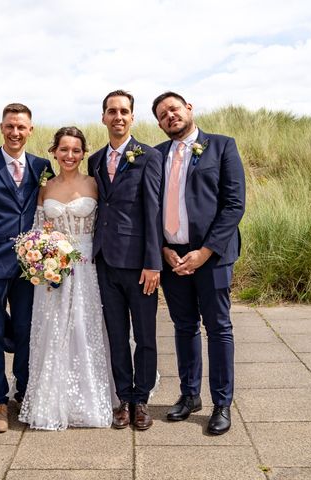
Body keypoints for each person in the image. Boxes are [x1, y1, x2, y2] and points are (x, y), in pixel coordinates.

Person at [152, 91, 246, 435]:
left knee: (219, 327)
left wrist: (205, 252)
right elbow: (151, 207)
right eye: (162, 115)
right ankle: (190, 395)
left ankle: (222, 403)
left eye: (173, 109)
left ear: (188, 108)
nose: (170, 116)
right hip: (172, 258)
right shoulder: (156, 155)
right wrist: (163, 248)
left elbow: (234, 205)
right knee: (184, 327)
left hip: (212, 257)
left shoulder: (222, 146)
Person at [19, 127, 114, 430]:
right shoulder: (45, 187)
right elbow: (38, 229)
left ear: (84, 152)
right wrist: (41, 256)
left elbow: (104, 225)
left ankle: (90, 399)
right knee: (54, 328)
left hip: (86, 266)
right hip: (54, 269)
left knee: (86, 328)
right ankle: (52, 398)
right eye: (64, 149)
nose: (69, 155)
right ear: (54, 152)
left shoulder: (94, 184)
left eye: (75, 150)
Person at [0, 103, 53, 433]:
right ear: (1, 128)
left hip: (30, 267)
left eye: (21, 127)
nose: (15, 132)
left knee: (25, 332)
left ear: (30, 130)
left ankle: (24, 393)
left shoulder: (42, 166)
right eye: (9, 126)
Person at [87, 90, 163, 430]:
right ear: (103, 117)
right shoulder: (95, 160)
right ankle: (122, 399)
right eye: (111, 111)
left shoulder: (147, 156)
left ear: (132, 117)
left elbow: (153, 211)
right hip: (104, 261)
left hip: (139, 264)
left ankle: (142, 400)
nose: (118, 117)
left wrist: (153, 263)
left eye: (124, 111)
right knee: (116, 334)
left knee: (145, 335)